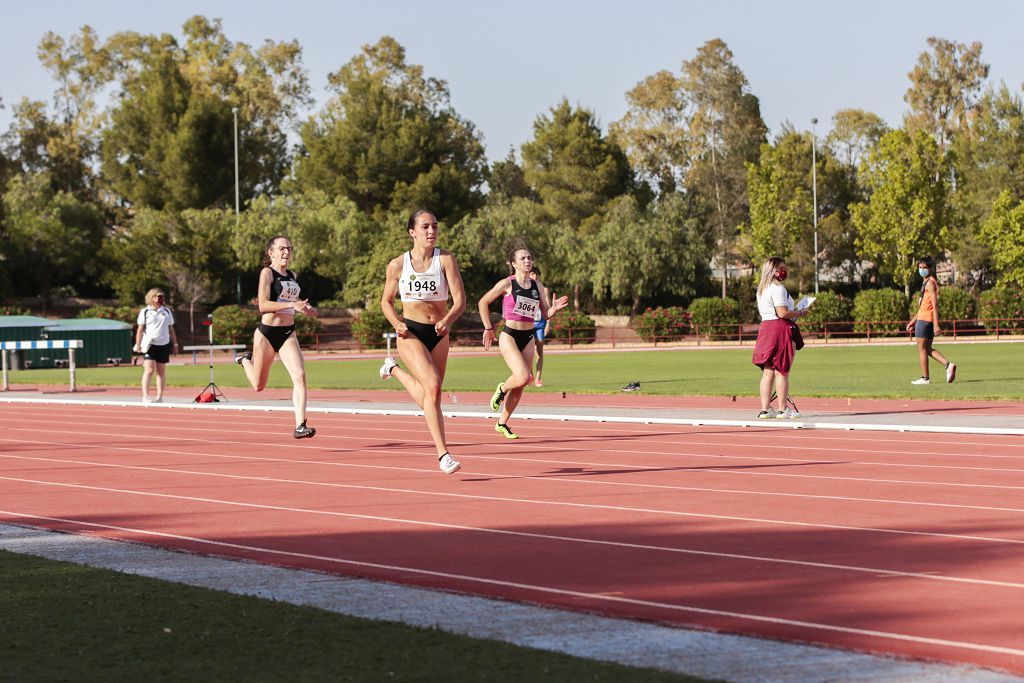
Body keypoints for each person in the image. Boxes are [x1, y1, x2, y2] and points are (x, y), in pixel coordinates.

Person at [379, 210, 467, 474]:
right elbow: (385, 301)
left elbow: (461, 300)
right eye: (425, 226)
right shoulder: (397, 265)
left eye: (435, 226)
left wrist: (449, 320)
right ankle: (443, 455)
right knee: (433, 385)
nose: (431, 231)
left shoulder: (446, 259)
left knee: (432, 395)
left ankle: (392, 369)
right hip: (411, 332)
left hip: (440, 332)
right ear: (412, 232)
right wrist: (396, 323)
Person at [477, 246, 568, 439]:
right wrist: (488, 327)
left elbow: (545, 314)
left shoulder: (537, 286)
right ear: (514, 264)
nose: (528, 261)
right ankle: (501, 388)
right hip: (509, 335)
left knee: (523, 383)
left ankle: (502, 423)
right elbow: (483, 302)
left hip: (528, 337)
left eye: (530, 257)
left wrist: (553, 310)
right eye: (523, 258)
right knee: (522, 376)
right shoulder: (507, 284)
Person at [234, 236, 318, 439]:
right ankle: (245, 360)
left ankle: (300, 425)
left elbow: (290, 299)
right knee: (258, 386)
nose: (286, 252)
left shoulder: (292, 274)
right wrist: (292, 305)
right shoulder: (267, 273)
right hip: (267, 334)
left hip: (288, 333)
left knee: (299, 376)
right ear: (271, 252)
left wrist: (304, 307)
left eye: (289, 248)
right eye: (282, 248)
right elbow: (263, 305)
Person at [751, 257, 810, 419]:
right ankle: (783, 409)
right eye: (781, 268)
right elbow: (782, 313)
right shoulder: (778, 289)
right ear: (773, 271)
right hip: (780, 329)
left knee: (768, 371)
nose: (784, 271)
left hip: (765, 330)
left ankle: (765, 409)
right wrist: (800, 312)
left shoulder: (761, 289)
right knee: (782, 371)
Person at [905, 255, 956, 385]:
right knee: (927, 348)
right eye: (920, 267)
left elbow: (935, 304)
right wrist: (913, 320)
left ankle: (925, 378)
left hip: (925, 321)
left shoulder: (930, 283)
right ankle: (948, 365)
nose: (921, 270)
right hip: (922, 319)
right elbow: (924, 306)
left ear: (930, 268)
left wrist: (936, 324)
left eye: (924, 267)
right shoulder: (926, 282)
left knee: (921, 349)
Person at [135, 288, 178, 403]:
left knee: (161, 371)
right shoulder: (145, 311)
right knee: (149, 369)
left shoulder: (167, 311)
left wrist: (175, 344)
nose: (160, 299)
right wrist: (138, 344)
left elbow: (171, 328)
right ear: (151, 297)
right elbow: (140, 329)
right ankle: (145, 396)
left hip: (163, 344)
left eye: (162, 296)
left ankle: (159, 397)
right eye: (157, 296)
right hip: (150, 344)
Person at [529, 268, 552, 387]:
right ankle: (530, 377)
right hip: (528, 324)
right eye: (532, 273)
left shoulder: (544, 289)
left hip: (540, 325)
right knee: (528, 352)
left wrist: (548, 323)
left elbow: (548, 307)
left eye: (537, 274)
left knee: (539, 352)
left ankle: (538, 378)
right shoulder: (525, 287)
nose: (535, 276)